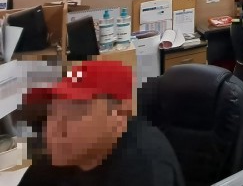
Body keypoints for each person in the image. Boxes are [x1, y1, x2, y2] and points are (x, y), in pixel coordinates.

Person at [19, 60, 184, 186]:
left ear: (120, 114)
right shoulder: (61, 154)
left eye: (75, 112)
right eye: (53, 112)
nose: (54, 128)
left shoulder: (143, 168)